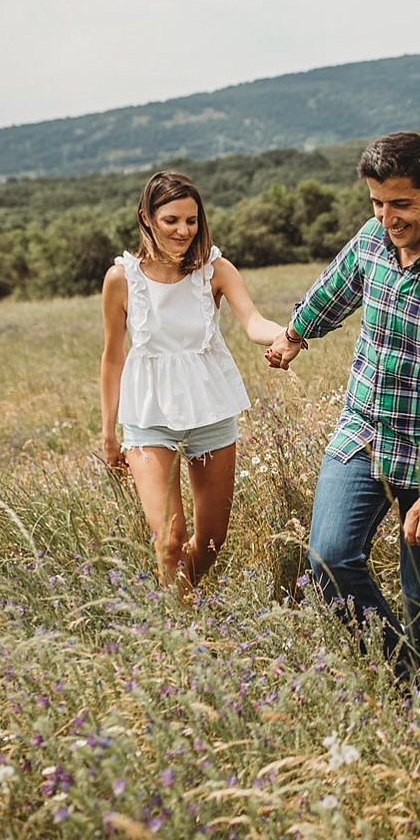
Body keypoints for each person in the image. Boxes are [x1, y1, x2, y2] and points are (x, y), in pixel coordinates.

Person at [265, 132, 420, 689]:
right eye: (377, 203)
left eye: (401, 204)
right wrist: (295, 334)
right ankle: (408, 679)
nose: (387, 218)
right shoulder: (373, 239)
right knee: (328, 560)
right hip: (363, 431)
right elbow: (334, 289)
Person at [101, 171, 285, 597]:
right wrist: (108, 432)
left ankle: (181, 597)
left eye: (191, 220)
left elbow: (253, 321)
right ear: (146, 218)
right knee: (170, 541)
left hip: (210, 409)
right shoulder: (121, 279)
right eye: (171, 220)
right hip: (148, 416)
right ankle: (182, 621)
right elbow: (112, 356)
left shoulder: (216, 270)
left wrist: (286, 334)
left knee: (212, 539)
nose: (184, 230)